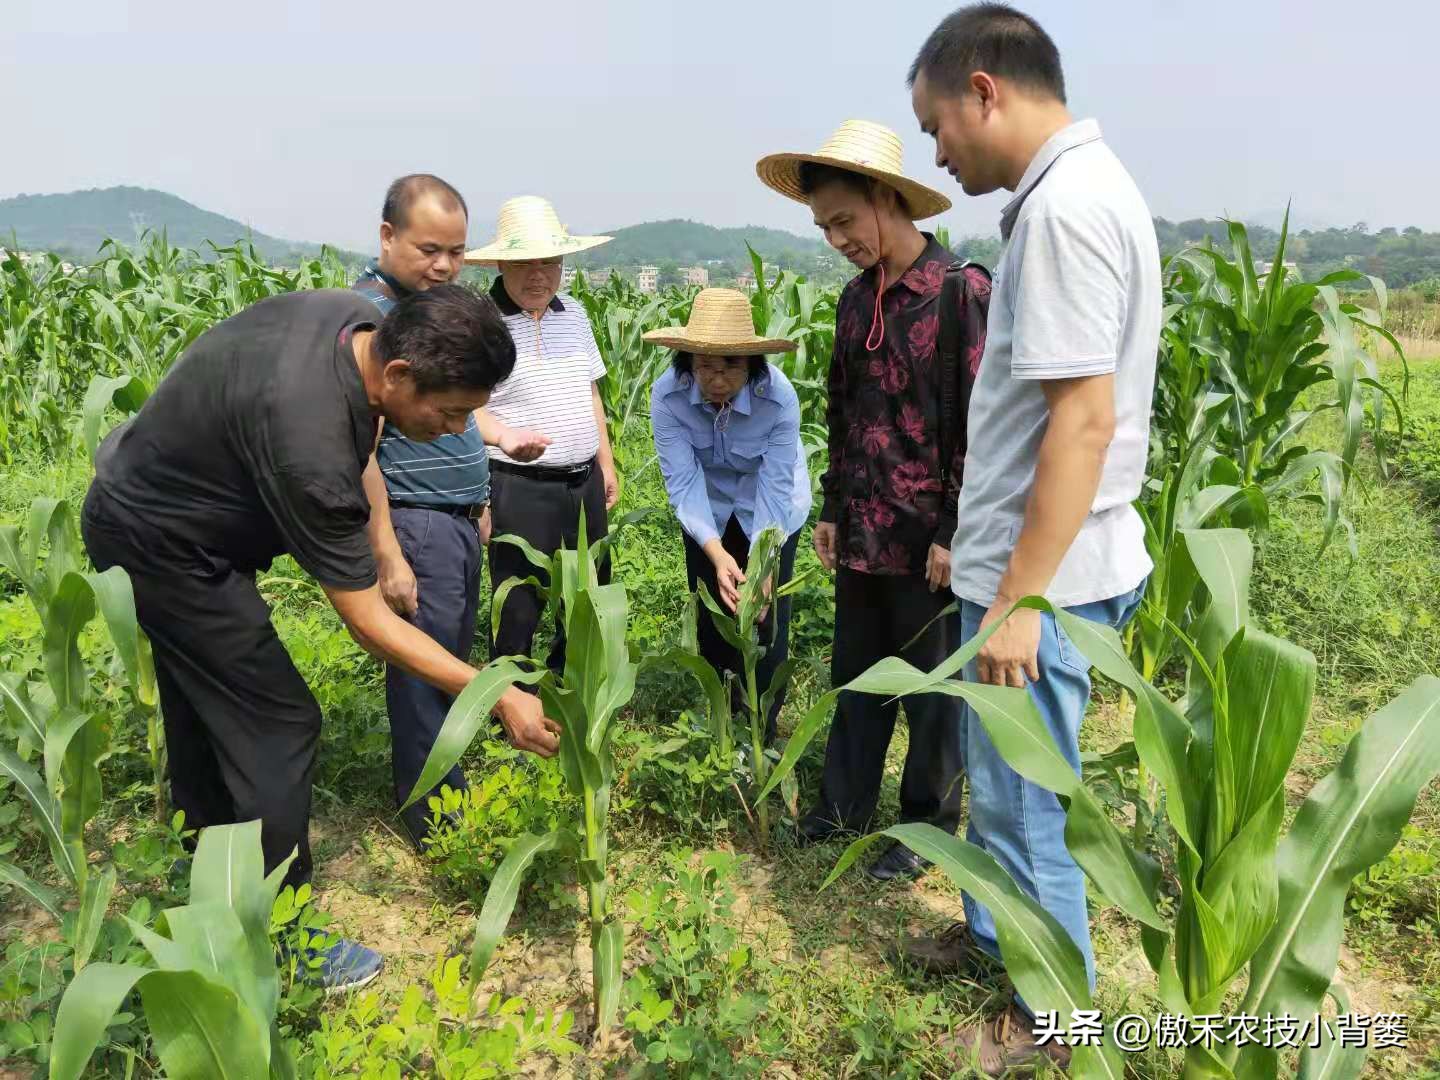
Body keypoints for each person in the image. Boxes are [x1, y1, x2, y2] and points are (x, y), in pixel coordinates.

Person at [80, 285, 563, 991]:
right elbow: (370, 624)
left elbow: (350, 433)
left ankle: (209, 869)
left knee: (207, 700)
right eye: (450, 412)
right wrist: (494, 693)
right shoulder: (309, 448)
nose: (458, 429)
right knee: (278, 722)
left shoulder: (354, 322)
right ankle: (280, 936)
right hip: (162, 545)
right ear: (398, 374)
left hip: (153, 505)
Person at [903, 5, 1161, 1072]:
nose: (938, 153)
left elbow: (1083, 423)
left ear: (984, 90)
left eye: (936, 127)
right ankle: (996, 938)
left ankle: (1053, 1015)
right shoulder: (1084, 192)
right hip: (1038, 566)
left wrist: (1017, 599)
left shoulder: (1063, 212)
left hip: (1043, 582)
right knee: (1004, 785)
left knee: (1025, 808)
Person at [756, 120, 990, 880]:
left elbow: (981, 426)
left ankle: (924, 831)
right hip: (862, 528)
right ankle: (841, 809)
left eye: (845, 221)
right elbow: (843, 410)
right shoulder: (856, 301)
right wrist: (831, 507)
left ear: (888, 199)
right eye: (824, 228)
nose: (837, 240)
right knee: (856, 678)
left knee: (932, 695)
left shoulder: (959, 292)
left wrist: (954, 530)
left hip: (929, 542)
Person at [352, 174, 551, 850]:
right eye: (428, 249)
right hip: (416, 521)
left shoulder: (431, 317)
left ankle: (445, 791)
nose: (443, 265)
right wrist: (388, 551)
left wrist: (483, 487)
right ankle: (438, 821)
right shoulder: (374, 324)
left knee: (448, 659)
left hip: (454, 518)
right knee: (426, 670)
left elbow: (461, 412)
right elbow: (361, 448)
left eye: (456, 252)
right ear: (388, 237)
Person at [646, 288, 812, 741]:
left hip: (770, 509)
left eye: (731, 367)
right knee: (713, 614)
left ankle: (763, 728)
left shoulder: (778, 398)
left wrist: (763, 564)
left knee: (766, 616)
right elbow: (683, 482)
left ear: (753, 363)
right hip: (709, 509)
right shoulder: (667, 397)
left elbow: (776, 484)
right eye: (705, 366)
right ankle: (723, 721)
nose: (717, 380)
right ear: (687, 362)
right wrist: (718, 554)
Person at [464, 196, 619, 674]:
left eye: (549, 262)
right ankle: (513, 693)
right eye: (524, 263)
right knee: (517, 603)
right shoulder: (481, 325)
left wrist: (606, 464)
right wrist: (482, 498)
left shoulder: (574, 314)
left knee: (587, 595)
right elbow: (463, 411)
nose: (539, 275)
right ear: (500, 264)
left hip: (583, 483)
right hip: (517, 486)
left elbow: (590, 393)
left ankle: (568, 686)